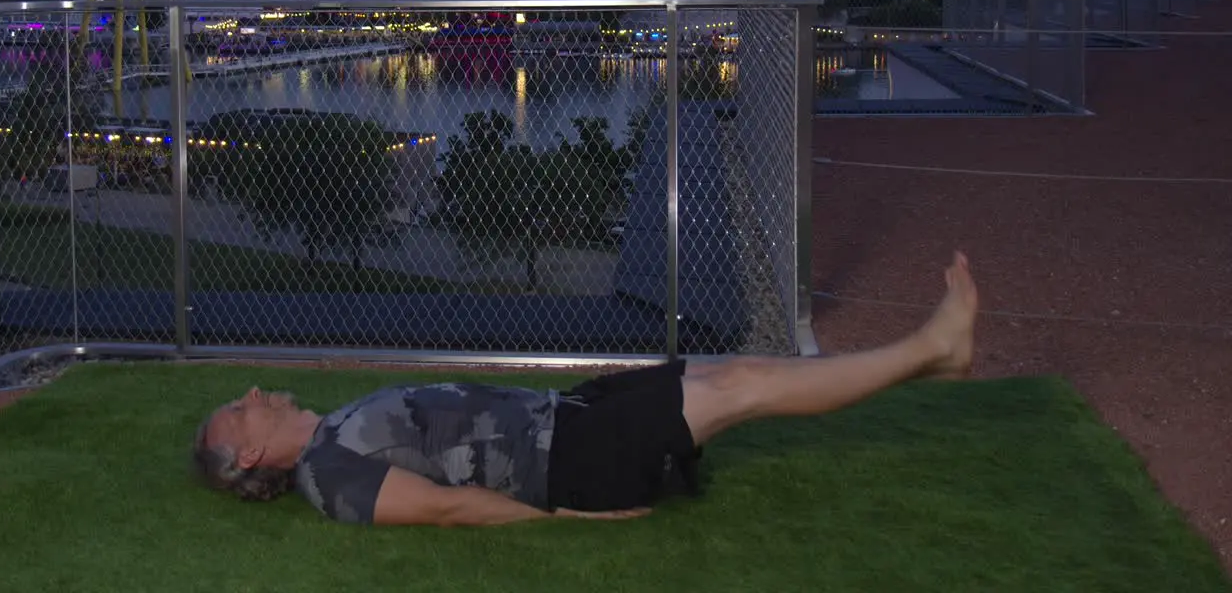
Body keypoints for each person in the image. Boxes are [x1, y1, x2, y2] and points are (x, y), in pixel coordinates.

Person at [193, 252, 978, 527]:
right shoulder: (328, 476)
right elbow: (442, 506)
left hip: (567, 418)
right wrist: (565, 520)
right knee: (745, 383)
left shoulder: (332, 437)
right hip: (571, 463)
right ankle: (930, 346)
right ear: (252, 450)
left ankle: (935, 363)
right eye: (243, 405)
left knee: (715, 375)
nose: (257, 390)